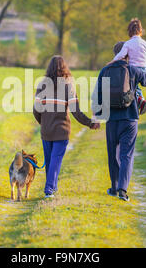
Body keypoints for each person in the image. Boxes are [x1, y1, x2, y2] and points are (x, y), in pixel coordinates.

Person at [94, 42, 146, 201]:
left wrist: (98, 116)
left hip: (112, 120)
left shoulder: (105, 70)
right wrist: (143, 65)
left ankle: (114, 188)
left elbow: (98, 96)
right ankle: (123, 189)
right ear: (128, 54)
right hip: (130, 119)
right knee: (126, 154)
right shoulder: (133, 70)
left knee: (112, 154)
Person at [33, 56, 100, 198]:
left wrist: (43, 123)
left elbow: (36, 109)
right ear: (65, 67)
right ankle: (49, 190)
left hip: (46, 130)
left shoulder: (42, 84)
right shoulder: (68, 85)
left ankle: (52, 188)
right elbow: (76, 111)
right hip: (62, 130)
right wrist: (90, 122)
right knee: (55, 160)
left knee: (50, 160)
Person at [108, 18, 146, 114]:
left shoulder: (128, 43)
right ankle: (141, 100)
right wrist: (145, 65)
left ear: (129, 31)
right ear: (141, 31)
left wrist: (112, 61)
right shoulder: (145, 43)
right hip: (143, 68)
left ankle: (140, 101)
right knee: (136, 87)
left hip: (132, 68)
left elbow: (121, 55)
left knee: (131, 87)